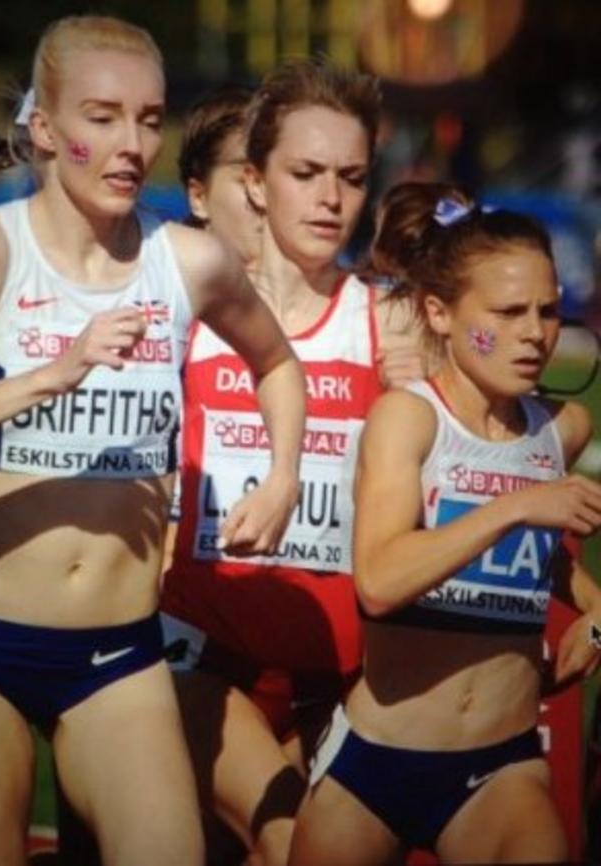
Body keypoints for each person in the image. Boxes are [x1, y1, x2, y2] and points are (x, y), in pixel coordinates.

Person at [0, 14, 306, 866]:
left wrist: (281, 478)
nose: (132, 143)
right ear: (45, 130)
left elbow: (277, 362)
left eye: (150, 119)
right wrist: (52, 377)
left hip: (119, 654)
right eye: (102, 116)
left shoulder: (189, 262)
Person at [160, 62, 431, 866]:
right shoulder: (188, 308)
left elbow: (501, 438)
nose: (330, 199)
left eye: (351, 177)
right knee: (288, 842)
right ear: (255, 180)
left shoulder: (389, 321)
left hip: (342, 667)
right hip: (207, 650)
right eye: (305, 173)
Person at [288, 181, 601, 866]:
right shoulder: (410, 419)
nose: (534, 334)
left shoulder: (560, 430)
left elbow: (535, 557)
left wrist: (596, 613)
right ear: (439, 313)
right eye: (509, 311)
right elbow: (379, 579)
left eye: (548, 312)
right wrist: (517, 506)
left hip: (503, 767)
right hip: (376, 763)